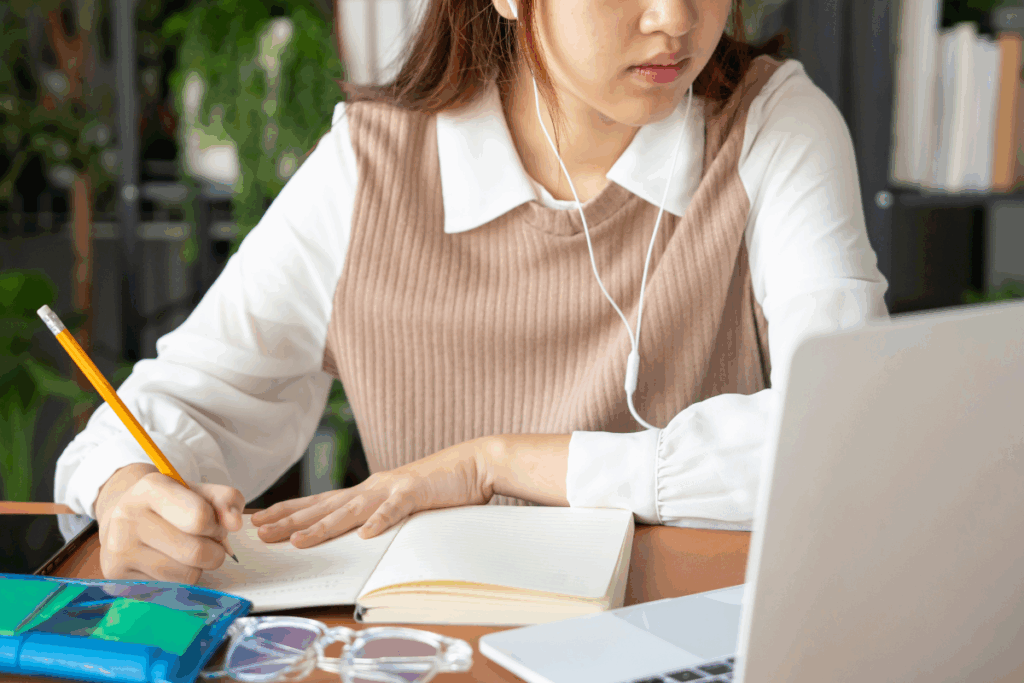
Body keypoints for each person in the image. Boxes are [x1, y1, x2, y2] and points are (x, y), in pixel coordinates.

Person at [55, 0, 888, 583]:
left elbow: (851, 436)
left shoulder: (772, 127)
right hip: (443, 652)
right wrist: (126, 490)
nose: (675, 17)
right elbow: (180, 407)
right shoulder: (372, 169)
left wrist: (493, 463)